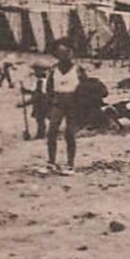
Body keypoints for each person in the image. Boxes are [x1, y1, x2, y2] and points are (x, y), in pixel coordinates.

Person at [44, 43, 86, 174]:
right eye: (61, 53)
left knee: (70, 134)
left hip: (73, 104)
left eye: (67, 52)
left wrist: (82, 108)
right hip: (58, 103)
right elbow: (49, 89)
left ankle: (70, 164)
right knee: (51, 132)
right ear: (57, 55)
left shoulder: (78, 70)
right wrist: (48, 107)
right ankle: (51, 162)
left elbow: (85, 89)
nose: (65, 55)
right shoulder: (53, 70)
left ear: (72, 53)